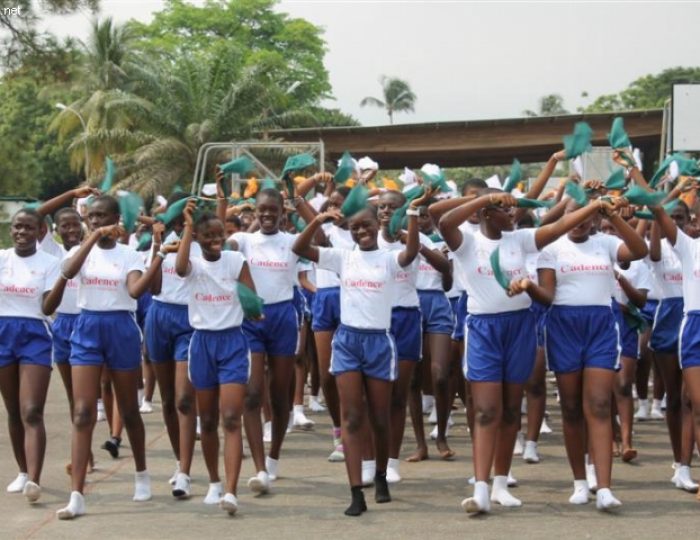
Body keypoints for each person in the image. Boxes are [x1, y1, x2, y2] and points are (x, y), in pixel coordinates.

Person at [438, 188, 630, 514]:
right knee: (486, 410)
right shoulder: (466, 242)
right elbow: (442, 217)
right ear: (486, 214)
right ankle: (481, 488)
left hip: (520, 327)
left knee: (512, 408)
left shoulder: (522, 239)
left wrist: (596, 205)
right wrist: (486, 197)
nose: (513, 214)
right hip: (483, 329)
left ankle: (500, 483)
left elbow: (560, 225)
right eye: (504, 210)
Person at [292, 188, 427, 515]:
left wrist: (409, 214)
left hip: (380, 343)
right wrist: (319, 220)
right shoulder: (343, 256)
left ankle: (380, 474)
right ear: (349, 231)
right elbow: (298, 248)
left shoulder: (389, 258)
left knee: (379, 418)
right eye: (355, 227)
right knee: (353, 417)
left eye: (366, 225)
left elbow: (410, 252)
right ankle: (356, 492)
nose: (361, 231)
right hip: (348, 342)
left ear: (375, 226)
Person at [56, 195, 165, 519]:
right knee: (82, 411)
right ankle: (77, 494)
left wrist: (156, 257)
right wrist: (91, 239)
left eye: (102, 217)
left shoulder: (129, 254)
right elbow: (68, 271)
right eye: (91, 217)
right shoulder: (80, 251)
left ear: (116, 219)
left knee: (129, 409)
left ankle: (142, 473)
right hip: (87, 325)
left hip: (120, 327)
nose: (95, 222)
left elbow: (134, 291)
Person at [537, 195, 647, 510]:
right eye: (574, 215)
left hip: (600, 324)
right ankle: (580, 482)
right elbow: (546, 294)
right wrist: (529, 288)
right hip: (564, 326)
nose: (581, 221)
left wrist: (616, 215)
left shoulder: (607, 244)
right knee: (571, 408)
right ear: (565, 216)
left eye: (588, 216)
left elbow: (639, 251)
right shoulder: (551, 249)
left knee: (599, 405)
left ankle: (605, 488)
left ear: (596, 219)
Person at [175, 201, 258, 515]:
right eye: (207, 235)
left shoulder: (236, 260)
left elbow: (251, 297)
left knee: (231, 418)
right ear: (196, 237)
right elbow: (180, 268)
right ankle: (213, 482)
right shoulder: (193, 262)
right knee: (207, 420)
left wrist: (256, 309)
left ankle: (232, 491)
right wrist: (186, 227)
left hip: (233, 343)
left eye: (219, 235)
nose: (215, 240)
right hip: (202, 344)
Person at [227, 188, 300, 489]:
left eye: (274, 209)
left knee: (281, 396)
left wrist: (302, 203)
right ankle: (259, 469)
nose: (268, 214)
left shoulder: (293, 242)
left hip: (283, 316)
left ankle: (274, 456)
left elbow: (321, 241)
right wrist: (225, 205)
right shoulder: (243, 241)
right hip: (250, 319)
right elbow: (219, 242)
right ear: (253, 212)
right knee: (253, 394)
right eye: (262, 210)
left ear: (283, 211)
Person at [144, 191, 205, 501]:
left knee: (184, 398)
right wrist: (156, 247)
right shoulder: (161, 239)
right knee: (167, 399)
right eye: (180, 213)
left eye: (188, 214)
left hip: (189, 320)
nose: (182, 220)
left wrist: (191, 231)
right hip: (159, 315)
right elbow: (152, 287)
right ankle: (178, 460)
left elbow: (187, 272)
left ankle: (185, 472)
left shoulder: (200, 245)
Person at [1, 208, 63, 503]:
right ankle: (23, 472)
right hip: (2, 332)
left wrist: (63, 280)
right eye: (17, 227)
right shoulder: (1, 258)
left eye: (28, 228)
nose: (21, 232)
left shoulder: (51, 263)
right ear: (11, 230)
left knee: (31, 411)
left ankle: (34, 480)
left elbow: (48, 307)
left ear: (40, 232)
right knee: (13, 410)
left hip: (35, 333)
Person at [651, 199, 700, 494]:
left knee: (690, 400)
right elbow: (656, 208)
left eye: (682, 216)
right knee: (681, 398)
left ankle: (684, 464)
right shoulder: (685, 246)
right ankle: (681, 465)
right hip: (685, 325)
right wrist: (632, 169)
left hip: (687, 323)